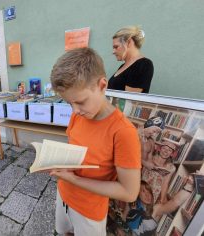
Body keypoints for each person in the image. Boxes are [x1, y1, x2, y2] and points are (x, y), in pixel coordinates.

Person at [49, 47, 142, 235]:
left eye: (80, 101)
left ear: (102, 85)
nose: (75, 110)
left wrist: (74, 179)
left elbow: (129, 192)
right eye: (69, 103)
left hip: (89, 210)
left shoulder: (123, 132)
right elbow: (77, 150)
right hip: (64, 194)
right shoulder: (80, 115)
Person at [108, 26, 154, 93]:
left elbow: (129, 101)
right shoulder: (122, 66)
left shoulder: (143, 65)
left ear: (129, 42)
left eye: (116, 47)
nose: (113, 52)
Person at [141, 140, 177, 205]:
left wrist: (161, 200)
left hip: (154, 193)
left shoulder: (171, 168)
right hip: (142, 188)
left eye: (169, 150)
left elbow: (165, 184)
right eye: (164, 148)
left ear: (172, 154)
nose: (166, 151)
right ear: (159, 149)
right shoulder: (150, 159)